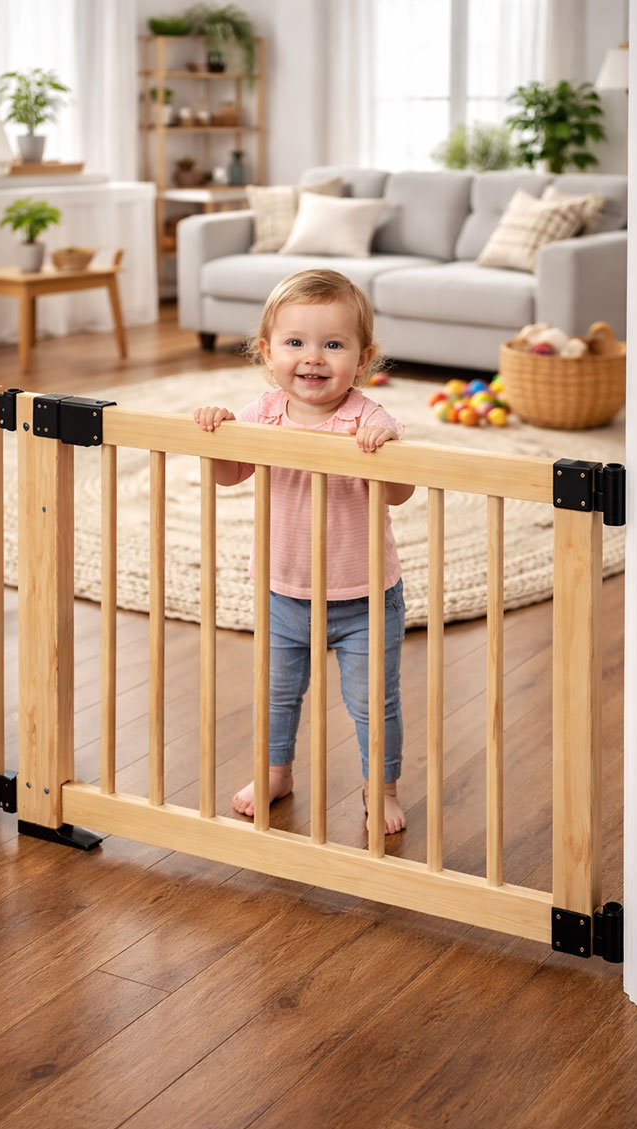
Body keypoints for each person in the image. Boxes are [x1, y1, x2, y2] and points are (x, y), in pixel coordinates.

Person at [193, 268, 414, 834]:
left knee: (373, 704)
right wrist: (218, 432)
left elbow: (402, 491)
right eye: (295, 343)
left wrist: (384, 451)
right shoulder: (262, 414)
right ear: (268, 353)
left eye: (333, 345)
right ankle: (275, 771)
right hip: (282, 591)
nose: (313, 358)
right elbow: (227, 475)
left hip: (363, 596)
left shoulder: (367, 418)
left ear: (363, 359)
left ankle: (380, 788)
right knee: (276, 693)